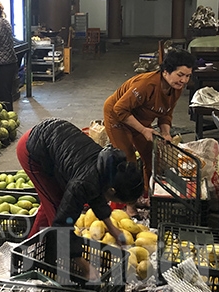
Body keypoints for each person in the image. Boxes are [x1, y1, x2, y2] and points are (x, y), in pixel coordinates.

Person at [16, 118, 143, 279]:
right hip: (32, 151)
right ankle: (38, 262)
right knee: (56, 209)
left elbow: (97, 193)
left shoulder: (109, 167)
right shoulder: (84, 183)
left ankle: (30, 246)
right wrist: (83, 265)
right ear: (112, 190)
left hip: (52, 139)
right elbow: (62, 224)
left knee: (53, 202)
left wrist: (112, 229)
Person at [103, 49, 194, 206]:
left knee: (152, 157)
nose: (184, 80)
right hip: (117, 116)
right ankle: (129, 204)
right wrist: (143, 130)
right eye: (180, 75)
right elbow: (120, 109)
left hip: (140, 120)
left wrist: (166, 133)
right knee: (128, 159)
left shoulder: (175, 89)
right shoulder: (147, 85)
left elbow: (165, 114)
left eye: (188, 76)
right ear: (166, 71)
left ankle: (148, 194)